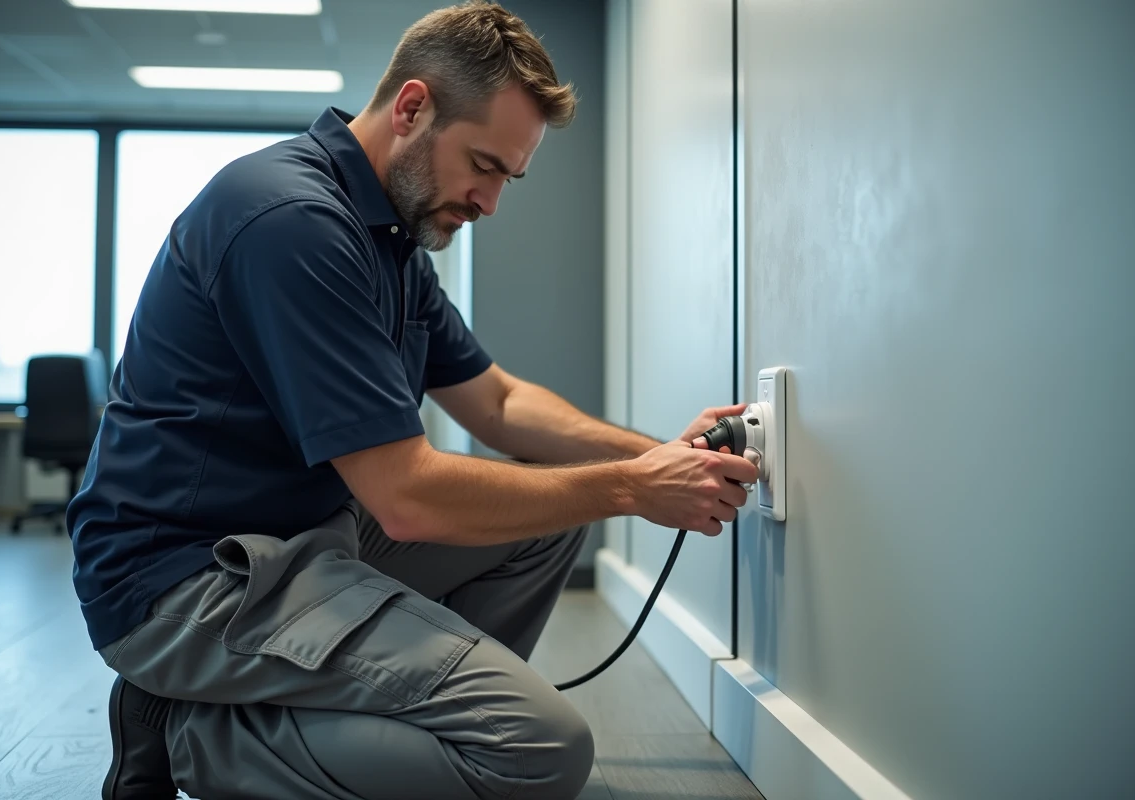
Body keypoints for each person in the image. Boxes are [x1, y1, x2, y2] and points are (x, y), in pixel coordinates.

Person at [69, 2, 757, 798]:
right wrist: (632, 489)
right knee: (540, 749)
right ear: (412, 108)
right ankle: (186, 731)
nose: (489, 201)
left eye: (507, 177)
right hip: (186, 579)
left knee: (546, 521)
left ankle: (394, 727)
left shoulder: (389, 240)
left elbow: (498, 403)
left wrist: (656, 455)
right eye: (484, 165)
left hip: (302, 541)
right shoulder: (291, 221)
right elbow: (406, 498)